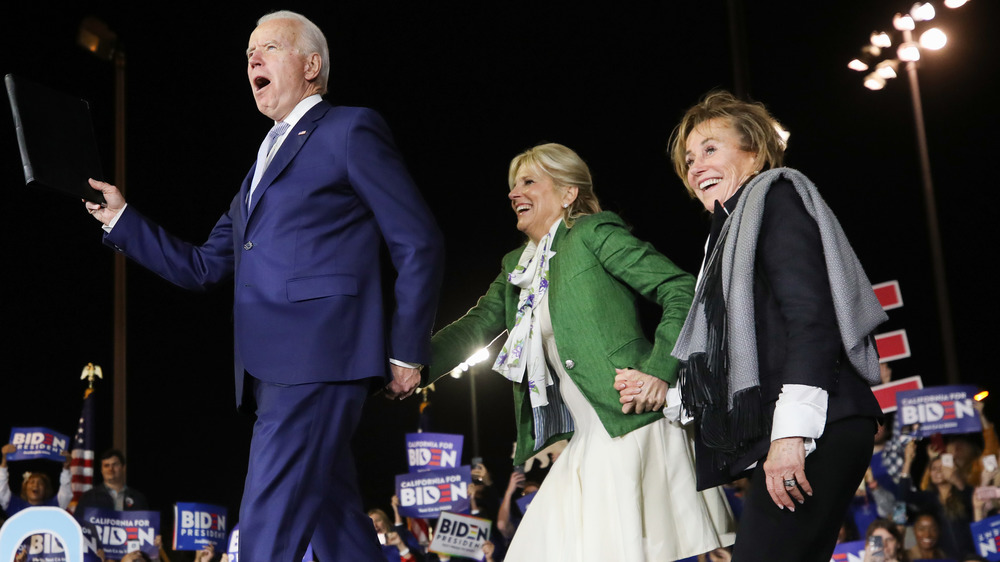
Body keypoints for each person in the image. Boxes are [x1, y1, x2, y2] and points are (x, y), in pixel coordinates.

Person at [83, 10, 444, 562]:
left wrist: (406, 349)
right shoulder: (258, 169)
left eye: (270, 47)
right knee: (337, 526)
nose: (252, 58)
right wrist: (122, 219)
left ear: (312, 65)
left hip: (318, 358)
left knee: (266, 529)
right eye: (249, 52)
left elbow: (418, 241)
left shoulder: (350, 128)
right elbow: (203, 266)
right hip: (269, 370)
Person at [427, 143, 734, 560]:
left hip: (628, 422)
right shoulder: (516, 264)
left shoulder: (591, 234)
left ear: (568, 193)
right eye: (513, 185)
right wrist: (406, 364)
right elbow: (475, 327)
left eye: (529, 181)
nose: (514, 193)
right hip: (584, 436)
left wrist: (659, 370)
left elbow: (679, 289)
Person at [636, 90, 885, 561]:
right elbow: (739, 353)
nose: (696, 167)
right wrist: (665, 395)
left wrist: (791, 435)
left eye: (711, 149)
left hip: (818, 426)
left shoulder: (778, 197)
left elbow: (812, 321)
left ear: (754, 150)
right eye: (689, 159)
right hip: (813, 426)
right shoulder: (730, 233)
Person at [901, 441, 974, 558]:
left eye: (941, 467)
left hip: (973, 555)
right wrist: (908, 460)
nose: (938, 471)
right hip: (946, 557)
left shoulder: (965, 492)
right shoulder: (929, 498)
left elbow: (971, 499)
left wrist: (955, 479)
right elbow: (904, 495)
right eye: (934, 468)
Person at [0, 443, 73, 516]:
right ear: (25, 487)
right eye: (32, 482)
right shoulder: (13, 504)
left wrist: (66, 468)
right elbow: (1, 489)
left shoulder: (54, 506)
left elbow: (66, 492)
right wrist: (4, 461)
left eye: (40, 483)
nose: (36, 485)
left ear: (46, 489)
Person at [76, 449, 148, 512]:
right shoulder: (88, 498)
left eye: (115, 465)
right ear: (101, 470)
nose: (110, 469)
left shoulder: (138, 499)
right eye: (106, 465)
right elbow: (79, 524)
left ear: (123, 468)